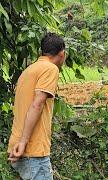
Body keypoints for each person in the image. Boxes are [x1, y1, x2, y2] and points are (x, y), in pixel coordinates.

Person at [7, 33, 66, 179]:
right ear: (62, 53)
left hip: (18, 146)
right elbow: (37, 104)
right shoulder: (50, 69)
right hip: (32, 150)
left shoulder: (28, 71)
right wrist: (24, 142)